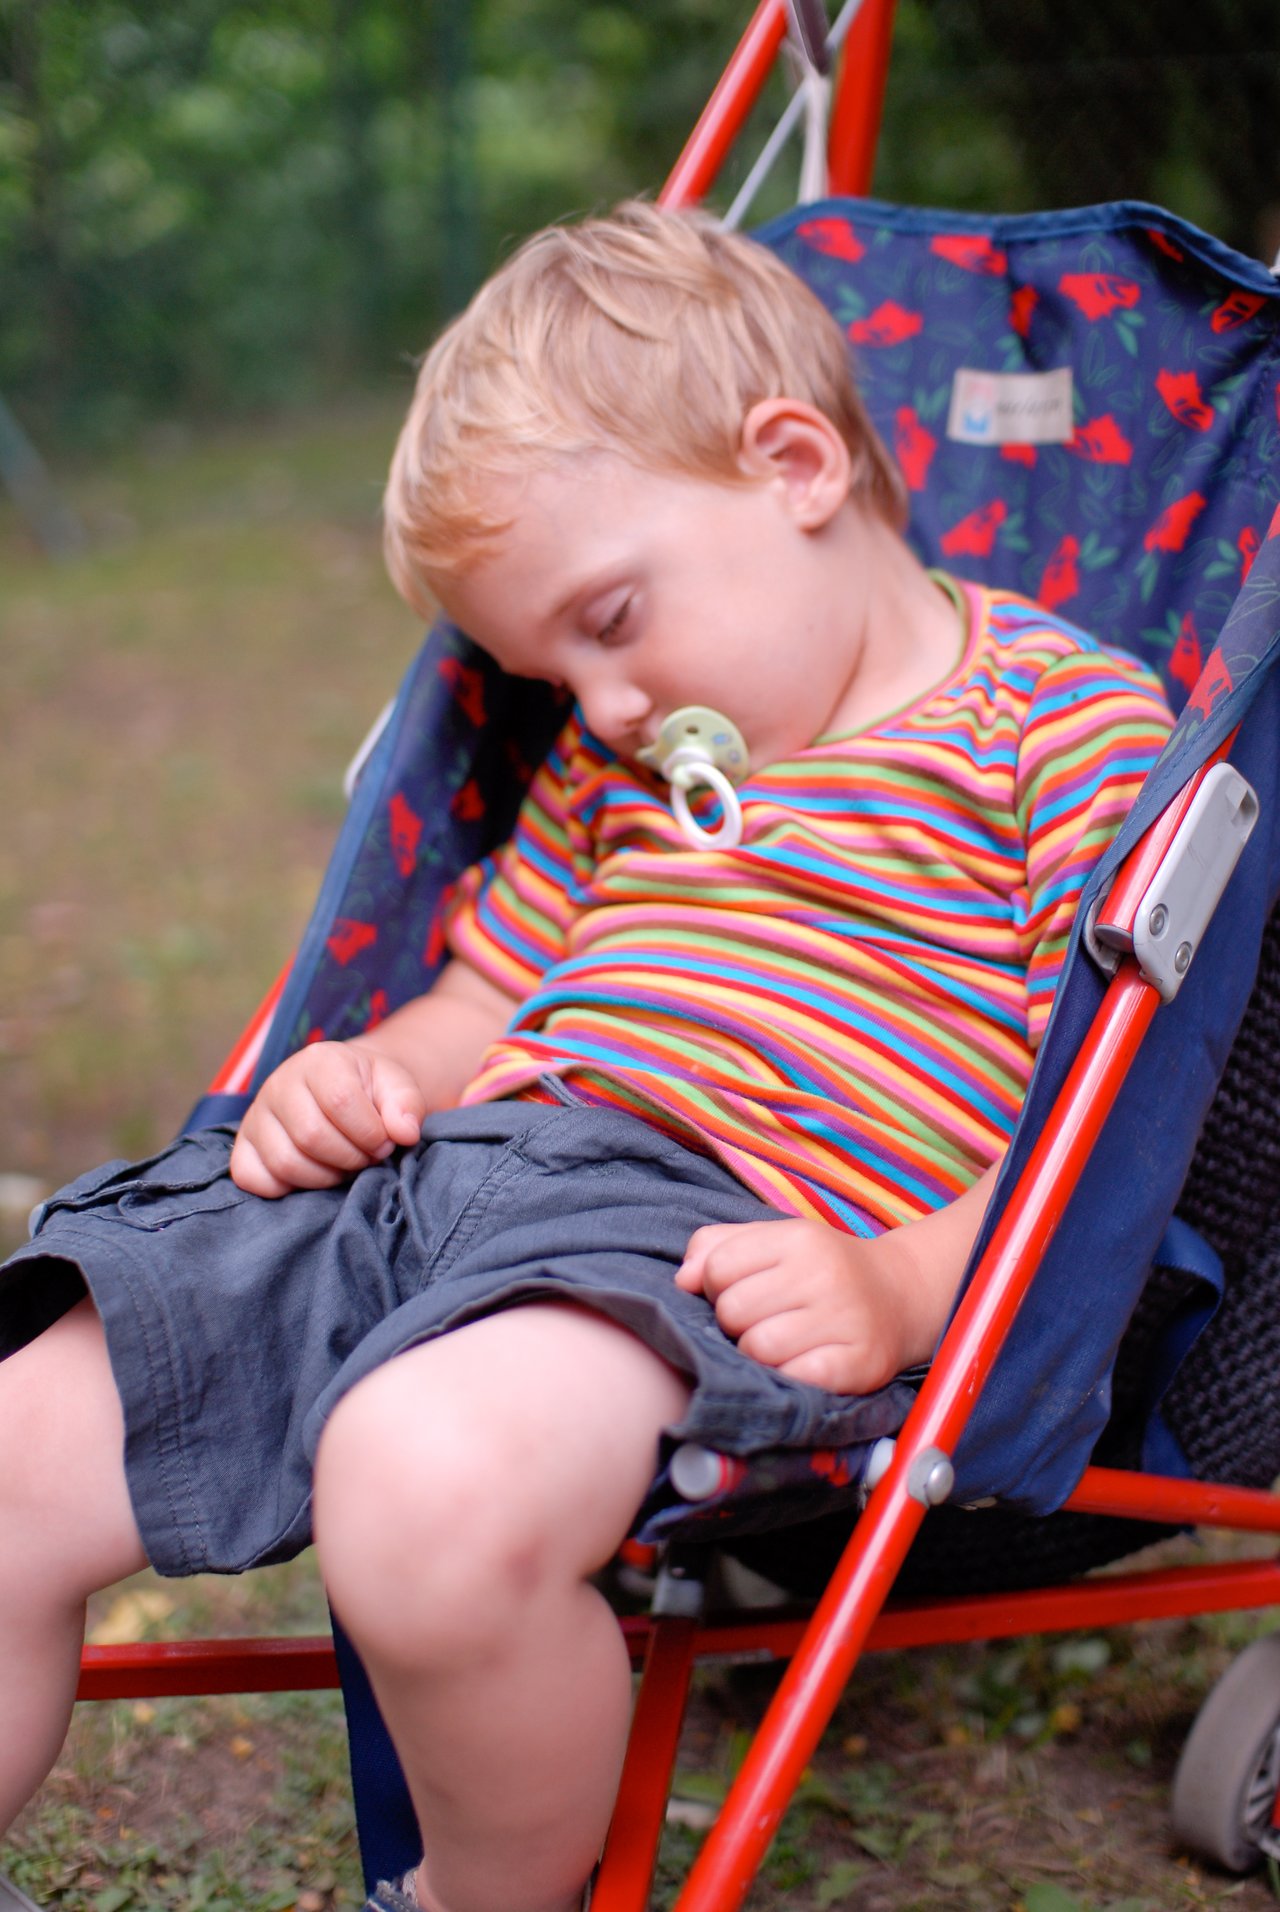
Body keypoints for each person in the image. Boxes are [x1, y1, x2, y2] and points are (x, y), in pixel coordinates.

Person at [0, 201, 1172, 1912]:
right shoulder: (614, 772)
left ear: (796, 467)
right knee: (20, 1430)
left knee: (422, 1485)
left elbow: (1115, 1102)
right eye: (544, 665)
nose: (602, 703)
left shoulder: (1059, 729)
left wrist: (917, 1280)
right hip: (442, 1179)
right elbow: (485, 1007)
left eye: (610, 617)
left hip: (698, 1233)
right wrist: (374, 1071)